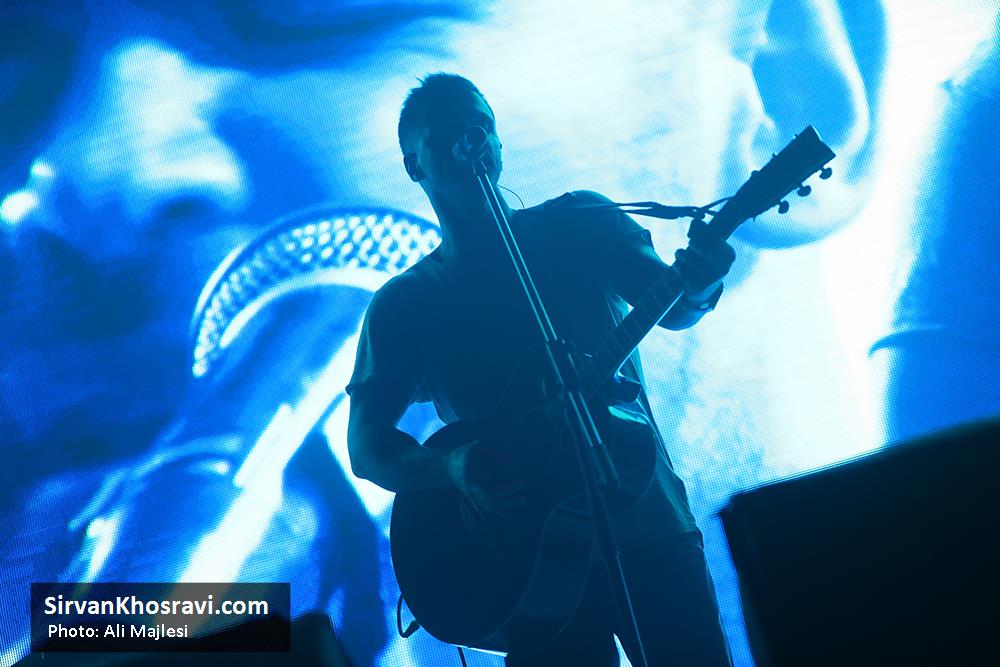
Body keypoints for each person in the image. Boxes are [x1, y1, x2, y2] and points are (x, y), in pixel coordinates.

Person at [346, 73, 737, 666]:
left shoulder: (581, 222)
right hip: (522, 565)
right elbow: (367, 446)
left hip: (646, 524)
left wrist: (702, 280)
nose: (470, 141)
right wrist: (451, 467)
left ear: (498, 143)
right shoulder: (407, 303)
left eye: (480, 127)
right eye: (448, 134)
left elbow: (675, 302)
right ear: (413, 165)